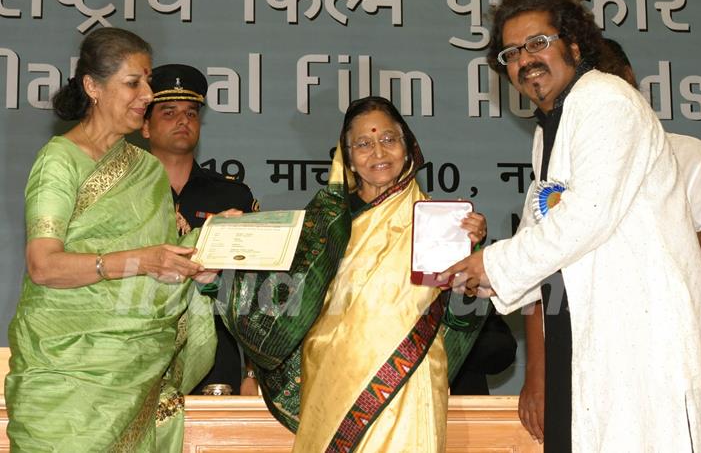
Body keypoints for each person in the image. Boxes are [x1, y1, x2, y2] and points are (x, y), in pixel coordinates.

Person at [441, 0, 701, 452]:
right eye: (511, 52)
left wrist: (493, 265)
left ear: (573, 45)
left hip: (642, 338)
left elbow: (588, 214)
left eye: (538, 43)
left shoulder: (605, 99)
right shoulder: (551, 127)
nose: (524, 59)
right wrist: (484, 274)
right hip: (589, 331)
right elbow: (547, 228)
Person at [226, 96, 488, 452]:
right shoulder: (326, 219)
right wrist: (232, 246)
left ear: (408, 146)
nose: (378, 152)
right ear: (346, 157)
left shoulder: (442, 223)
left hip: (409, 379)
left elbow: (461, 316)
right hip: (332, 379)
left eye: (388, 140)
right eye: (363, 144)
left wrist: (470, 258)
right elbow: (281, 299)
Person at [5, 28, 217, 452]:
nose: (147, 95)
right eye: (133, 83)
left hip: (137, 375)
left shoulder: (148, 170)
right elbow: (44, 266)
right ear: (93, 87)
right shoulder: (58, 162)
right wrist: (143, 260)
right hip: (64, 381)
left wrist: (208, 247)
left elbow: (161, 263)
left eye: (148, 81)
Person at [518, 37, 701, 444]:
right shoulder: (555, 170)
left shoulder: (688, 155)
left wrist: (637, 248)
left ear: (629, 84)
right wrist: (539, 374)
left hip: (658, 349)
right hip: (578, 354)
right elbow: (543, 280)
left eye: (607, 84)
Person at [142, 63, 259, 396]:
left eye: (191, 113)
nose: (183, 121)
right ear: (145, 126)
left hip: (216, 362)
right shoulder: (124, 195)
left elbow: (251, 287)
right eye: (169, 112)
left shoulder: (232, 195)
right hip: (138, 354)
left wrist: (252, 371)